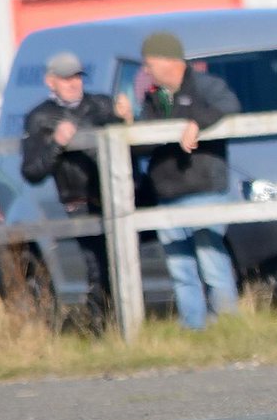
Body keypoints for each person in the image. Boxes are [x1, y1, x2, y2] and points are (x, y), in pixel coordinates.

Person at [19, 51, 132, 333]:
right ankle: (102, 329)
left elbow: (135, 147)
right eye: (66, 78)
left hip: (116, 195)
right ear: (51, 82)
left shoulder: (102, 105)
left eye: (77, 77)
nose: (73, 83)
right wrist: (56, 143)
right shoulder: (40, 117)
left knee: (125, 260)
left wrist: (128, 121)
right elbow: (32, 171)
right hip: (78, 201)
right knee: (96, 266)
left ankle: (126, 323)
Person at [137, 31, 242, 330]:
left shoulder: (207, 86)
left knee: (212, 262)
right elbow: (142, 143)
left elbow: (230, 105)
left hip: (204, 189)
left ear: (168, 61)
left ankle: (226, 325)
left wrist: (196, 124)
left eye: (149, 63)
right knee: (180, 269)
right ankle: (193, 327)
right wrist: (128, 125)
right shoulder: (155, 99)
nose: (147, 71)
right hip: (167, 193)